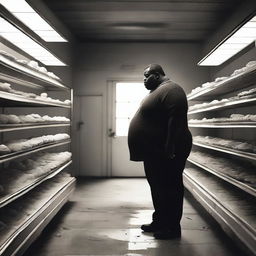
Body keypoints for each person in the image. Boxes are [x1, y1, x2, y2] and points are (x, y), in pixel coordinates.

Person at [128, 64, 192, 239]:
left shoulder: (173, 90)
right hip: (154, 151)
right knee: (158, 188)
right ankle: (160, 221)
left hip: (168, 151)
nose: (143, 80)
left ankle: (172, 227)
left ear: (156, 75)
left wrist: (170, 147)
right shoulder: (158, 90)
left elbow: (176, 120)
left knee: (170, 188)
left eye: (146, 76)